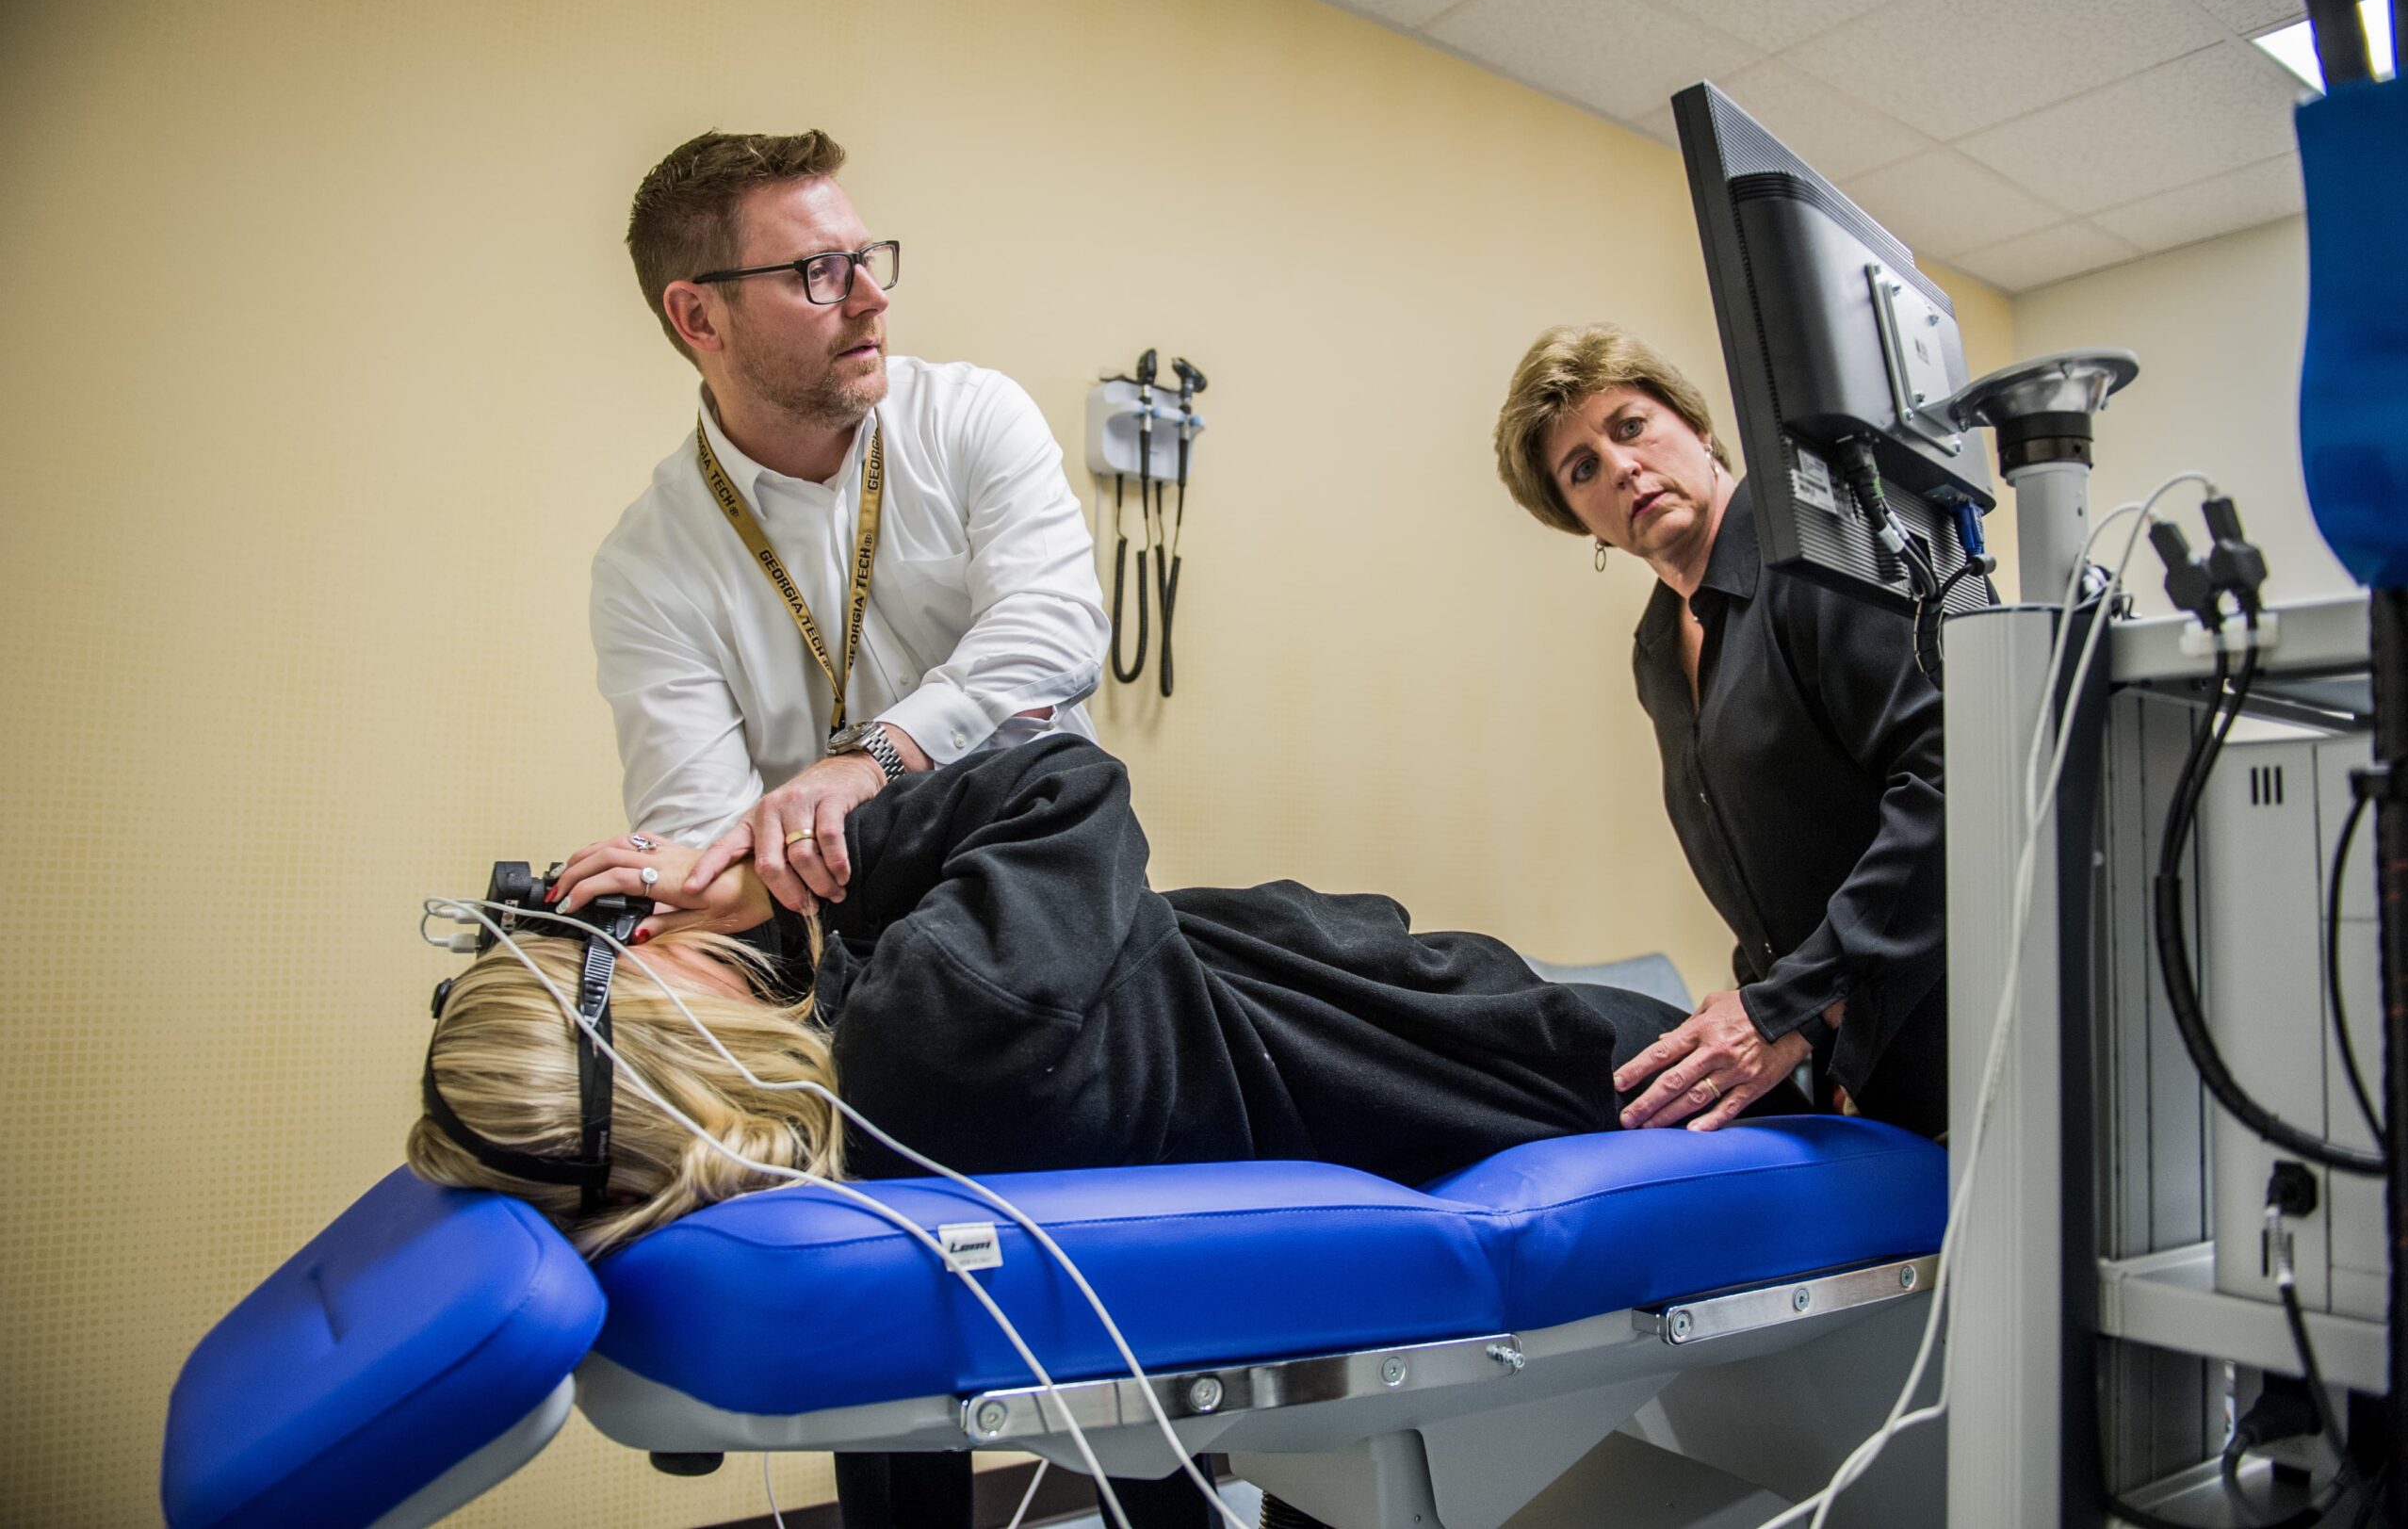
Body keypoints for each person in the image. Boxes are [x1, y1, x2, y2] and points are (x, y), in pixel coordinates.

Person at [410, 737, 1735, 1529]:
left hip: (1367, 1035)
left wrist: (756, 923)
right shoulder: (936, 1026)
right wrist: (779, 861)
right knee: (1755, 1063)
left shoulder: (835, 1139)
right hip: (1454, 1046)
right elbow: (1068, 783)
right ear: (672, 1047)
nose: (643, 918)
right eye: (622, 951)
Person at [596, 128, 1108, 920]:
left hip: (1058, 906)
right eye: (820, 273)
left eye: (867, 259)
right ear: (699, 316)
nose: (874, 296)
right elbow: (706, 850)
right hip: (840, 957)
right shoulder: (646, 567)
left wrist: (871, 761)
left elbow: (1053, 634)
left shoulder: (973, 415)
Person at [1491, 325, 1948, 1140]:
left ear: (1696, 425)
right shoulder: (1658, 650)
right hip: (1838, 1063)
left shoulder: (1820, 557)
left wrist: (1788, 1009)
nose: (1622, 467)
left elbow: (1948, 791)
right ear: (1581, 521)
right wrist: (1766, 1009)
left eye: (1629, 426)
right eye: (1583, 468)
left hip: (1951, 1023)